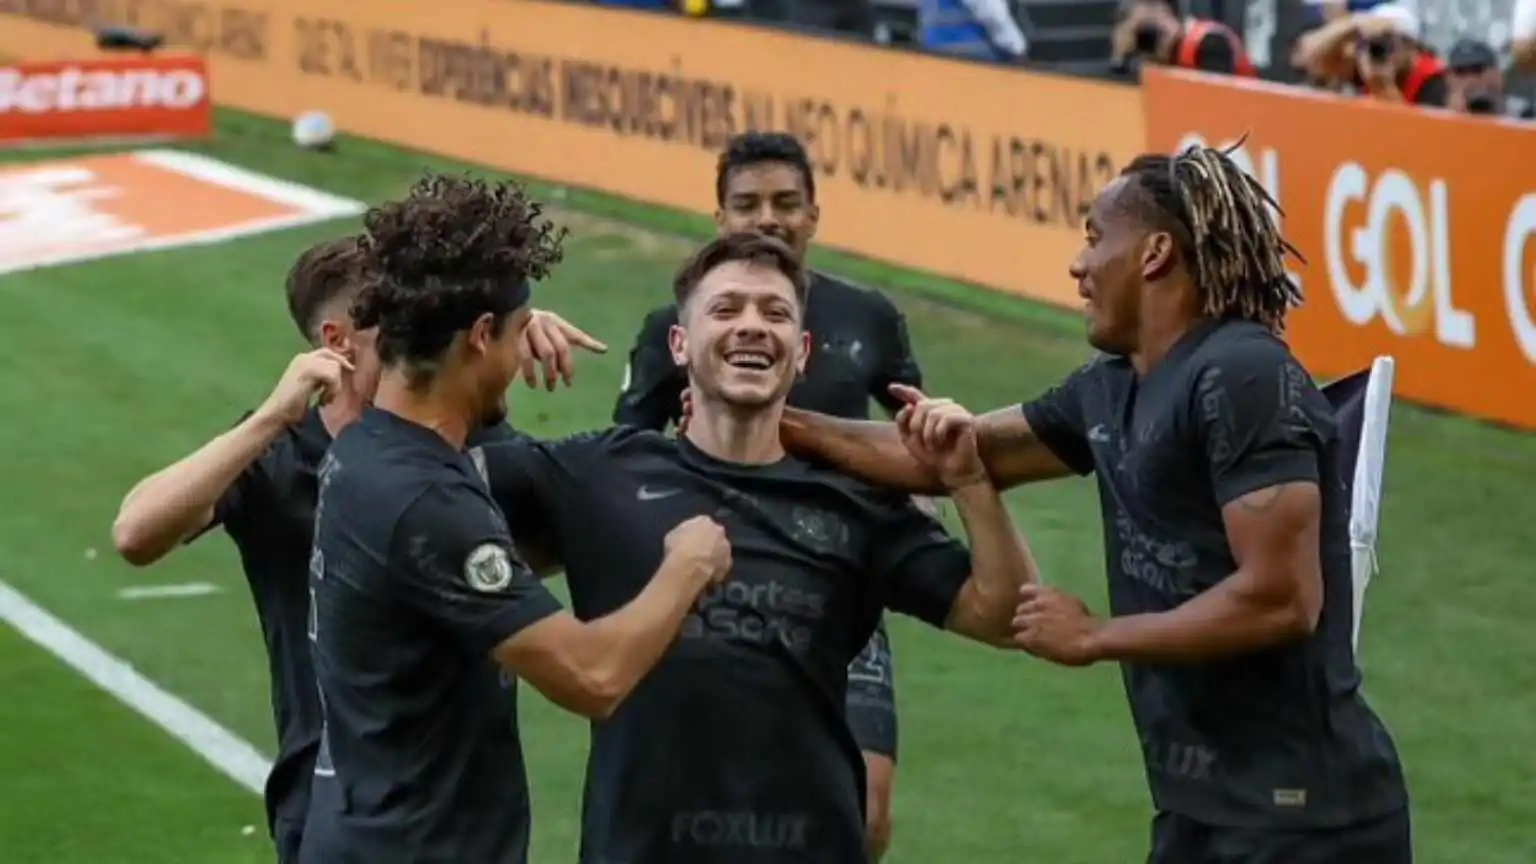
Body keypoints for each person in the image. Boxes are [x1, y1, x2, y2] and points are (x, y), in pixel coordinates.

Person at [769, 145, 1411, 862]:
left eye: (1095, 237)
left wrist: (1096, 636)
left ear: (1156, 253)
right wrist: (772, 417)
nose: (1078, 266)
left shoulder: (1242, 373)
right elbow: (957, 454)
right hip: (1202, 811)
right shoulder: (1109, 387)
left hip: (1308, 822)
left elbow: (1283, 598)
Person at [477, 231, 1037, 864]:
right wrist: (494, 346)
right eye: (726, 310)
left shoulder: (855, 502)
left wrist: (967, 480)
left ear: (801, 354)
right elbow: (419, 472)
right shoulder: (600, 471)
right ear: (680, 345)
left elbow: (1005, 614)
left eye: (774, 313)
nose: (751, 327)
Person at [109, 234, 605, 863]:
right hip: (330, 804)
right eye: (398, 319)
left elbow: (536, 551)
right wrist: (268, 419)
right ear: (337, 341)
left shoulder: (463, 435)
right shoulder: (280, 455)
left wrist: (499, 341)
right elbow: (135, 532)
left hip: (467, 811)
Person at [614, 131, 922, 859]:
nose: (768, 219)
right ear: (720, 218)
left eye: (786, 203)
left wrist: (920, 495)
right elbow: (626, 450)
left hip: (844, 580)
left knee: (868, 813)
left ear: (814, 213)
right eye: (747, 204)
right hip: (715, 579)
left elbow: (917, 434)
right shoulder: (676, 326)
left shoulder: (867, 317)